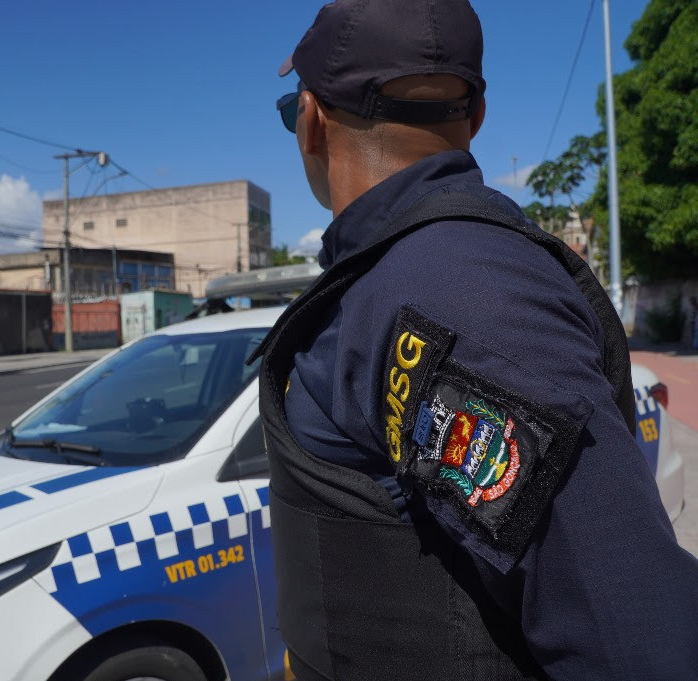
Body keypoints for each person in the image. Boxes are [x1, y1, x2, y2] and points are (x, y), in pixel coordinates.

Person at [253, 1, 698, 679]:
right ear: (476, 119)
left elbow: (636, 637)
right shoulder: (402, 278)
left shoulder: (452, 293)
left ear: (311, 121)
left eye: (293, 113)